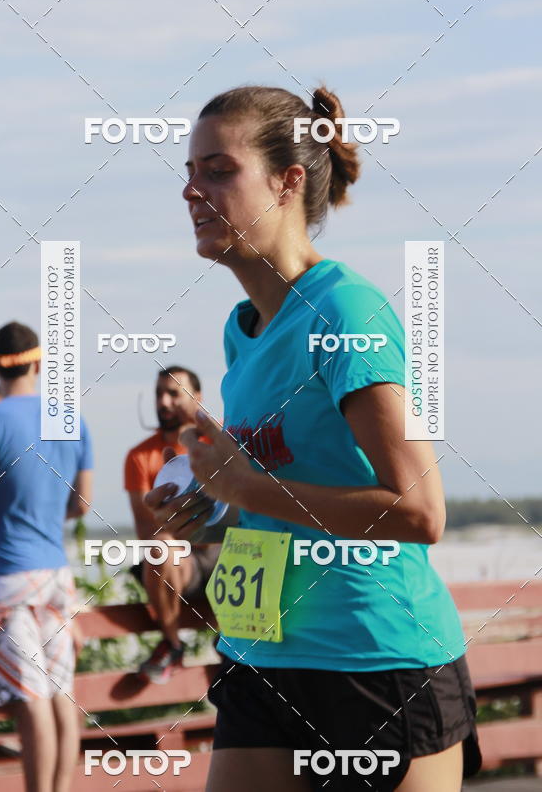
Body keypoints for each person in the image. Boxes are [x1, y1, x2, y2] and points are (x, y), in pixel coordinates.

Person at [146, 85, 482, 791]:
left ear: (288, 181)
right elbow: (284, 495)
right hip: (262, 653)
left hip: (377, 664)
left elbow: (420, 511)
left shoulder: (345, 311)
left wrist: (246, 486)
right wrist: (212, 505)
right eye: (189, 171)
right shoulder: (242, 329)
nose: (191, 190)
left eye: (218, 171)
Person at [0, 322, 93, 792]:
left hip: (8, 577)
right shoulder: (72, 420)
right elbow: (80, 505)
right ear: (39, 363)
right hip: (56, 575)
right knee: (61, 693)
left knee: (32, 699)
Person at [125, 366, 221, 683]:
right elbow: (146, 531)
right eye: (158, 394)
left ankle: (235, 643)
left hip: (225, 554)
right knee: (159, 547)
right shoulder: (140, 456)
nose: (163, 402)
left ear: (197, 398)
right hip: (182, 561)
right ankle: (173, 645)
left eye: (173, 393)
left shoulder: (220, 443)